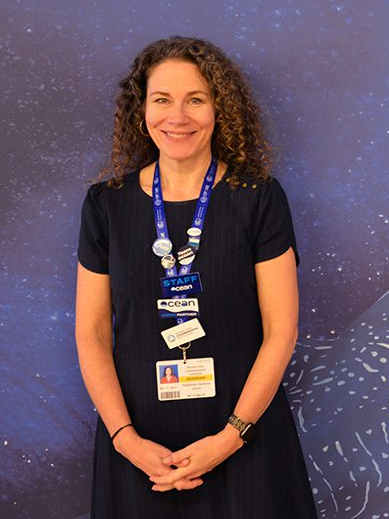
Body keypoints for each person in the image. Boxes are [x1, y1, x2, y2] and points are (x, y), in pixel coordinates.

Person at [74, 37, 317, 518]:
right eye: (162, 99)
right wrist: (126, 441)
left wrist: (230, 438)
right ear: (142, 109)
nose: (177, 117)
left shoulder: (259, 198)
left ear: (219, 108)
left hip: (243, 435)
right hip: (140, 446)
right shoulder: (106, 205)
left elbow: (281, 331)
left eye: (196, 100)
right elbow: (92, 332)